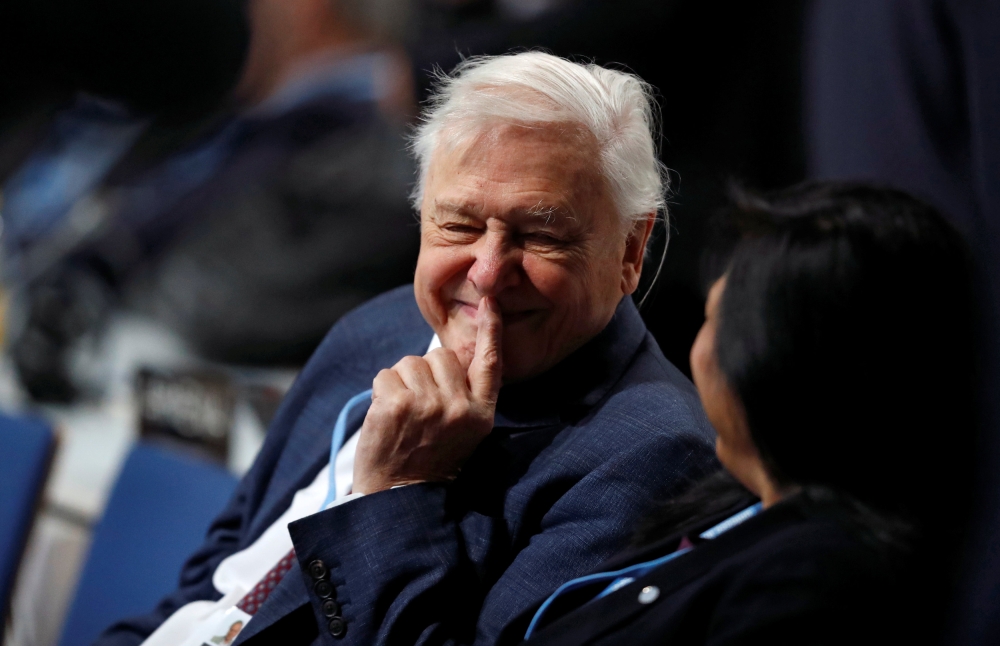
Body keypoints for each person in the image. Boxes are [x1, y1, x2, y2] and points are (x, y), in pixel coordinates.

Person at [94, 52, 717, 646]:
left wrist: (396, 493)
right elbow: (222, 571)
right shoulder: (380, 326)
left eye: (540, 235)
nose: (489, 271)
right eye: (460, 225)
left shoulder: (653, 460)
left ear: (631, 249)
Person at [485, 182, 976, 644]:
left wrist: (411, 486)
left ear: (769, 365)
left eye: (715, 321)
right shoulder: (740, 501)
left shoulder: (808, 586)